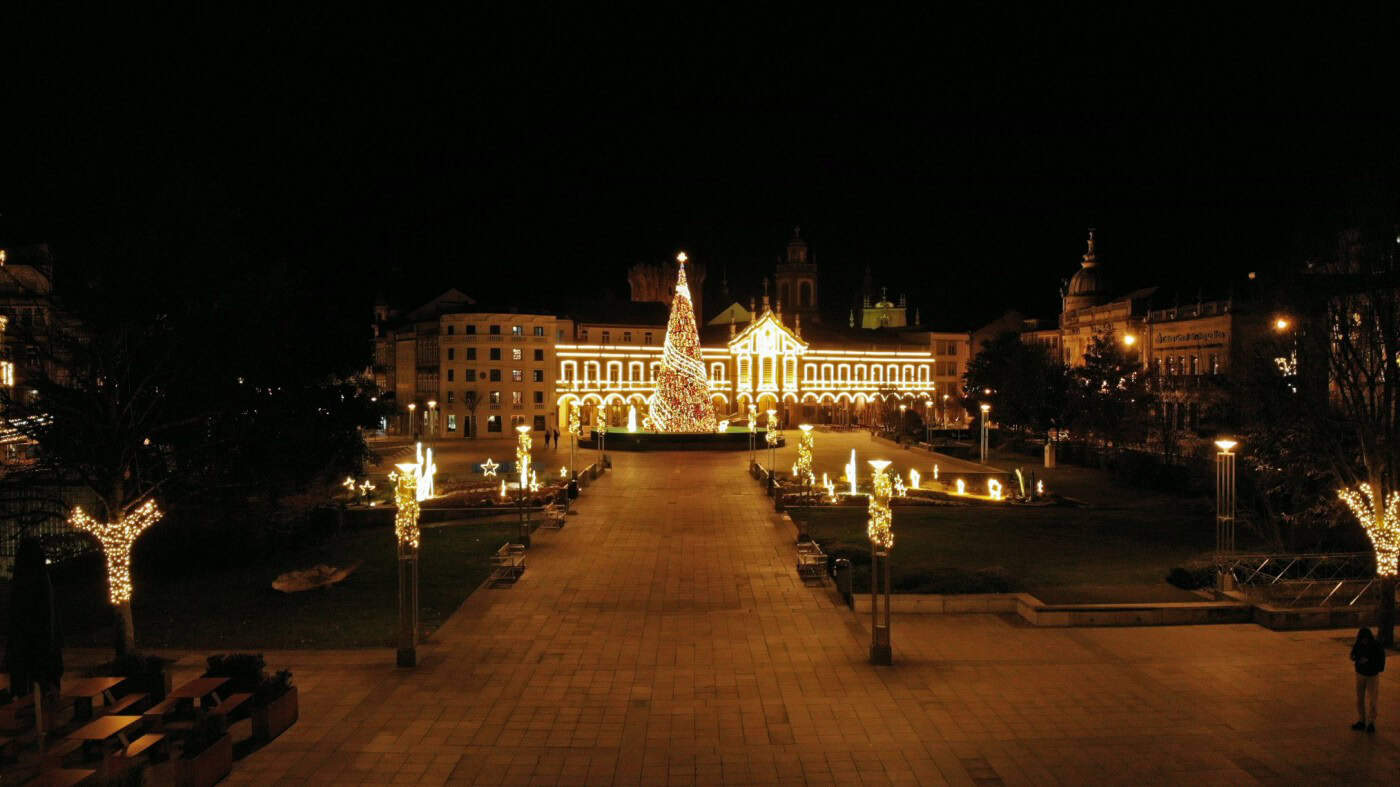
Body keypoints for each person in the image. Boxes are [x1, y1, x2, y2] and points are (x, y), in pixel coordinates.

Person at [1350, 626, 1385, 732]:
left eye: (1365, 639)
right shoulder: (1359, 644)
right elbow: (1353, 654)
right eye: (1362, 639)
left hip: (1372, 675)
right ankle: (1361, 720)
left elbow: (1380, 659)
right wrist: (1356, 659)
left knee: (1372, 699)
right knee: (1360, 699)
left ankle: (1371, 722)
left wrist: (1369, 662)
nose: (1364, 641)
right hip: (1361, 674)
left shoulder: (1375, 646)